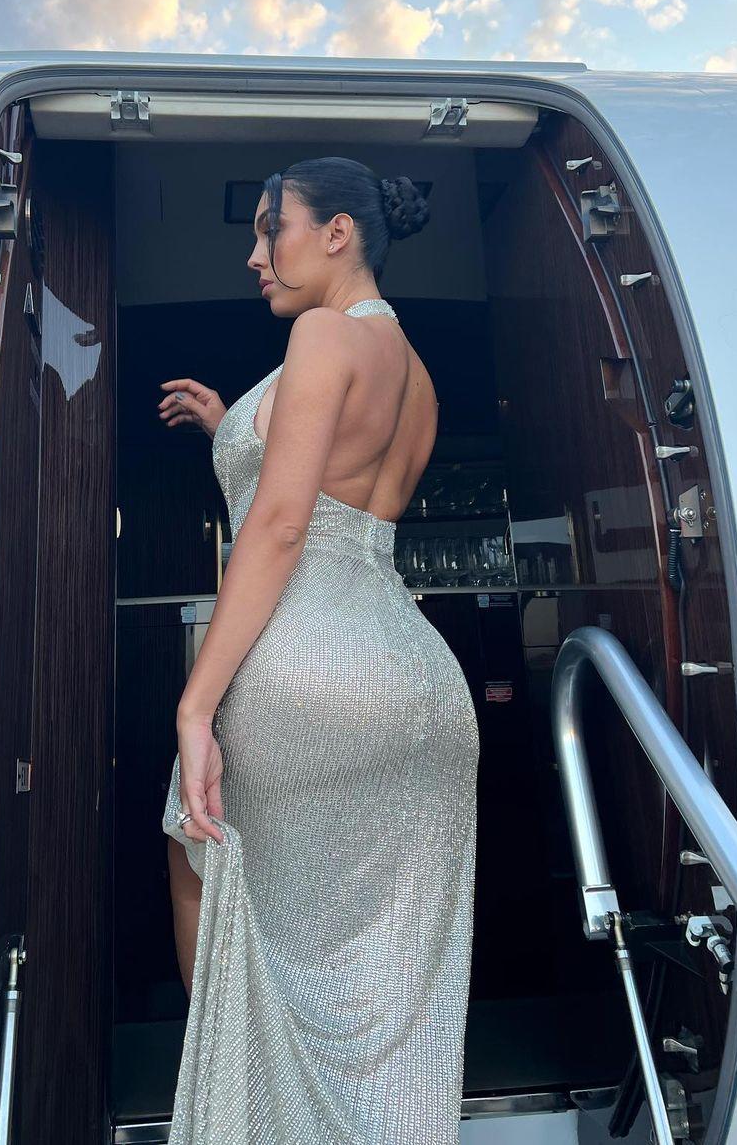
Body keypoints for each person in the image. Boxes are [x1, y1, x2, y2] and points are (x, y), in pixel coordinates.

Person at [157, 156, 479, 1144]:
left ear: (338, 232)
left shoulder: (321, 335)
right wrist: (231, 425)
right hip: (415, 680)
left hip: (306, 665)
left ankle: (251, 1118)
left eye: (272, 229)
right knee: (382, 974)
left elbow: (285, 522)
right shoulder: (417, 375)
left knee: (204, 856)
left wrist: (195, 704)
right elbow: (334, 487)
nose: (256, 256)